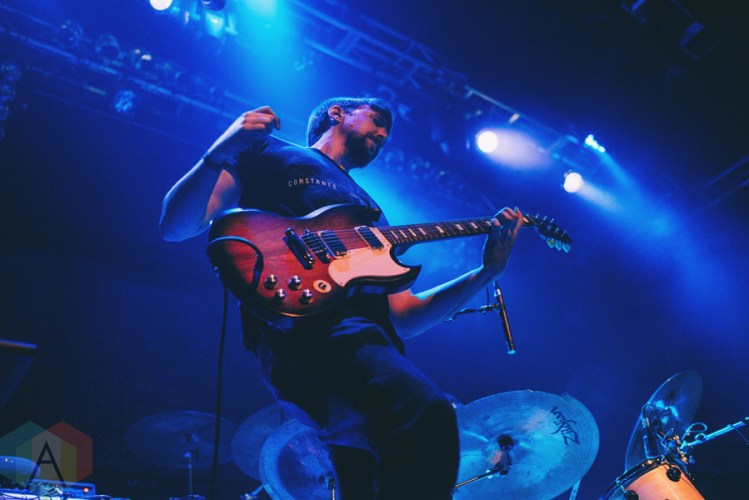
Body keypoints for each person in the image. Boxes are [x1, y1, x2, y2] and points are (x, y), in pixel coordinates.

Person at [160, 97, 523, 499]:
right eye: (377, 120)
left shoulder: (372, 212)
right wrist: (218, 152)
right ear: (338, 113)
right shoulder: (269, 152)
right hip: (310, 329)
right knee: (429, 416)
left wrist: (486, 272)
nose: (383, 135)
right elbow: (175, 226)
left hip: (369, 346)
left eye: (387, 132)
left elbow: (405, 316)